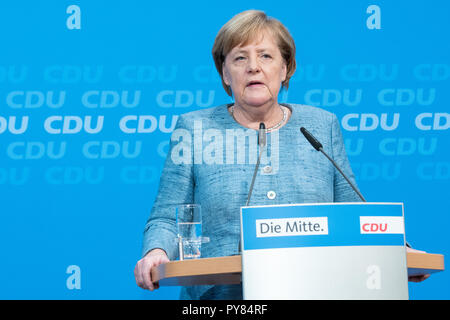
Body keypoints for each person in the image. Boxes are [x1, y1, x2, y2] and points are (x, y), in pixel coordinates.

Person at [134, 10, 426, 300]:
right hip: (221, 297)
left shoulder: (320, 125)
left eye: (266, 56)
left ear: (285, 68)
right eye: (240, 58)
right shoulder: (195, 129)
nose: (253, 67)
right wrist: (157, 251)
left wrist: (394, 249)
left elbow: (353, 213)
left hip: (317, 290)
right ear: (225, 72)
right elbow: (168, 218)